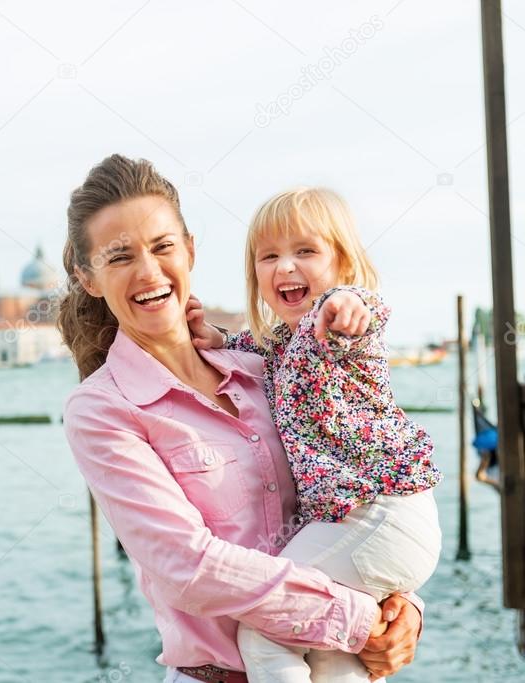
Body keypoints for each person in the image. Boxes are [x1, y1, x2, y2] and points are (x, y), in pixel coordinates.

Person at [58, 155, 423, 683]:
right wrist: (360, 620)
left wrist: (403, 608)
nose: (148, 271)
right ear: (87, 278)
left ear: (189, 250)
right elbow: (189, 568)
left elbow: (358, 487)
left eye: (162, 247)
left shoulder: (266, 369)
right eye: (119, 257)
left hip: (334, 661)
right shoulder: (102, 410)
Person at [186, 187, 442, 682]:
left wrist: (345, 302)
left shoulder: (334, 322)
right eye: (270, 256)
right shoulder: (282, 340)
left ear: (342, 262)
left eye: (305, 251)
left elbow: (363, 309)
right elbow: (249, 345)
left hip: (378, 515)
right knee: (329, 651)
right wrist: (216, 339)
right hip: (372, 519)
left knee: (264, 627)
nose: (285, 267)